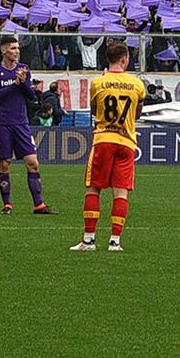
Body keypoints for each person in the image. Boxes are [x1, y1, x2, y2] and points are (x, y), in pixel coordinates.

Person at [72, 40, 146, 252]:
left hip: (104, 138)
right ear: (125, 59)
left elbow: (95, 111)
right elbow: (137, 111)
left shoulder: (98, 82)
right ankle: (115, 242)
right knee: (121, 193)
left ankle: (89, 240)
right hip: (127, 141)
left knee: (93, 188)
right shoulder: (137, 85)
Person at [0, 37, 50, 214]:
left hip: (21, 123)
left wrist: (23, 83)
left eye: (17, 48)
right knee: (5, 164)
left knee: (33, 162)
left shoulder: (24, 70)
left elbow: (31, 95)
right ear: (4, 50)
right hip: (2, 124)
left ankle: (39, 204)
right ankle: (7, 204)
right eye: (13, 48)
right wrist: (15, 85)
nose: (16, 51)